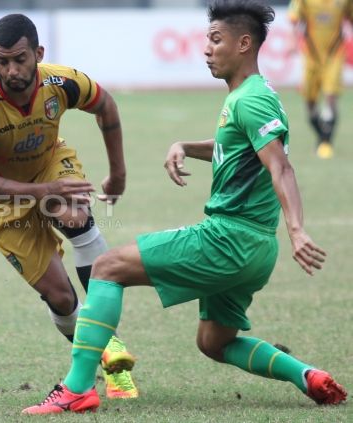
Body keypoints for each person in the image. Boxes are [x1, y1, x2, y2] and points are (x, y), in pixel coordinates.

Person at [23, 0, 347, 415]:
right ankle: (306, 375)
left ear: (244, 44)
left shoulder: (249, 100)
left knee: (106, 268)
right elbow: (239, 147)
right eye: (206, 40)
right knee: (215, 342)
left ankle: (77, 389)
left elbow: (280, 167)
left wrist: (298, 229)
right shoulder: (258, 93)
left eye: (216, 40)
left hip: (229, 238)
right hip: (257, 251)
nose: (206, 49)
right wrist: (185, 146)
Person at [0, 13, 138, 400]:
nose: (11, 70)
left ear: (38, 53)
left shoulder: (62, 82)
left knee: (73, 213)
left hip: (50, 165)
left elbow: (106, 106)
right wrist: (43, 191)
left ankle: (112, 343)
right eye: (1, 61)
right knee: (61, 298)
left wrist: (117, 173)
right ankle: (102, 357)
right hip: (1, 203)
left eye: (19, 59)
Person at [288, 0, 353, 159]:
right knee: (310, 103)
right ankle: (322, 138)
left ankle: (326, 142)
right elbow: (295, 20)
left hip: (334, 54)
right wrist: (293, 41)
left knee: (331, 97)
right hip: (311, 56)